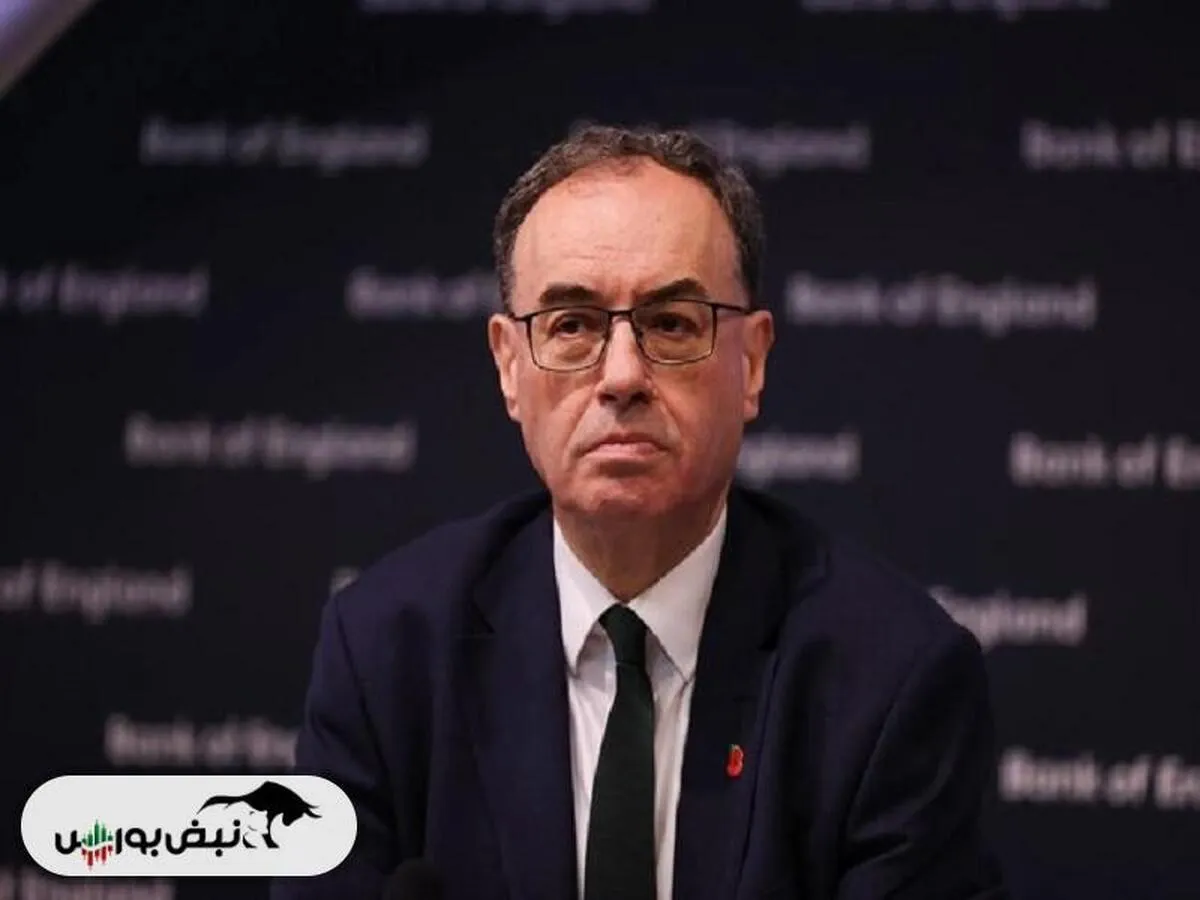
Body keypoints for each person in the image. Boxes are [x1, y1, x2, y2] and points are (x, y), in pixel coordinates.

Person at [271, 124, 1009, 899]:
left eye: (671, 324)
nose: (622, 375)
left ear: (752, 362)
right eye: (572, 325)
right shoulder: (384, 650)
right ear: (509, 367)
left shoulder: (892, 678)